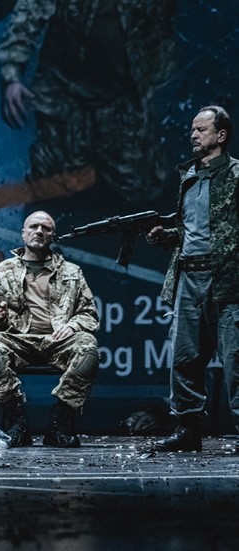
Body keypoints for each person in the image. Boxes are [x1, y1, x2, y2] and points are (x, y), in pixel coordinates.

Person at [0, 0, 177, 204]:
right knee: (48, 188)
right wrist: (11, 75)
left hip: (121, 101)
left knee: (142, 189)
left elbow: (161, 33)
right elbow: (29, 12)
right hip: (64, 96)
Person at [146, 106, 239, 452]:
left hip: (227, 278)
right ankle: (187, 428)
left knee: (235, 359)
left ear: (221, 135)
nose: (194, 135)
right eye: (192, 130)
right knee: (184, 357)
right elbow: (193, 230)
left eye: (201, 129)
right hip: (189, 276)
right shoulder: (189, 176)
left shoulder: (236, 175)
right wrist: (167, 236)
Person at [0, 210, 99, 448]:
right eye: (34, 226)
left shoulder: (71, 271)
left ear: (53, 235)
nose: (39, 231)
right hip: (17, 340)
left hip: (58, 341)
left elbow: (89, 314)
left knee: (88, 348)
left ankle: (59, 424)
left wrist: (72, 326)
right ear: (23, 233)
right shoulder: (3, 270)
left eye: (46, 228)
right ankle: (18, 423)